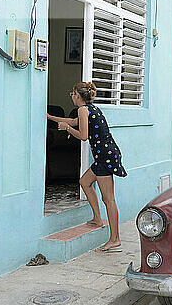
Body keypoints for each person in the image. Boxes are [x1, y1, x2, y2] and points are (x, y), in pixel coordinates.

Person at [47, 82, 127, 252]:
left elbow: (83, 136)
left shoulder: (83, 109)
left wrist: (67, 129)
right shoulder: (90, 109)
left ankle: (115, 239)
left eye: (72, 93)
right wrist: (50, 117)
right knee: (84, 182)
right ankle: (97, 218)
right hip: (104, 154)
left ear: (77, 95)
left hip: (104, 156)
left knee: (109, 199)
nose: (71, 96)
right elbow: (73, 121)